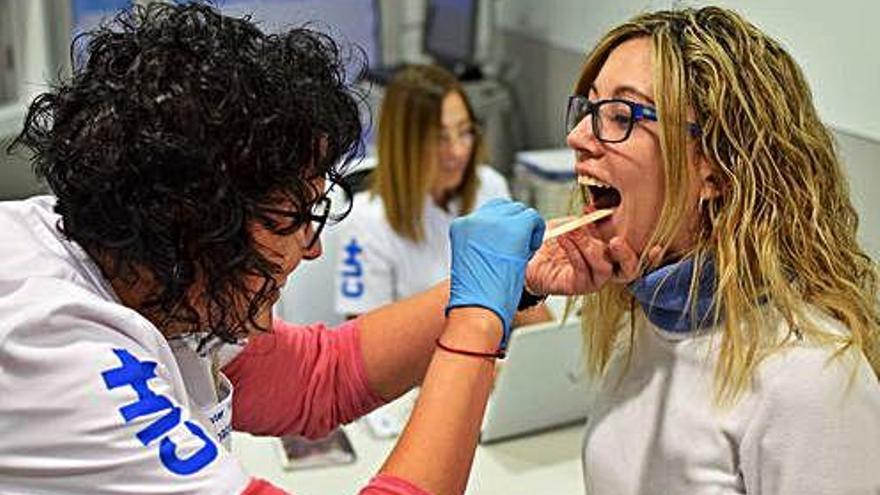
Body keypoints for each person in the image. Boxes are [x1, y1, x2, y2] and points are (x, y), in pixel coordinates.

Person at [0, 4, 546, 494]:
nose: (310, 249)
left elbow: (317, 377)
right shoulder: (54, 349)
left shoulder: (138, 256)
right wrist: (476, 324)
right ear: (191, 217)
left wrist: (496, 286)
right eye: (291, 218)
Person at [523, 6, 880, 494]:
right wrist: (516, 286)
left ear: (713, 168)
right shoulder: (639, 322)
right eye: (588, 108)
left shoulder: (812, 381)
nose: (577, 136)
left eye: (620, 115)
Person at [333, 64, 513, 317]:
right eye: (440, 138)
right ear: (406, 143)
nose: (458, 151)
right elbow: (364, 344)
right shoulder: (365, 223)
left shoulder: (490, 188)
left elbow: (515, 295)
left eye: (464, 132)